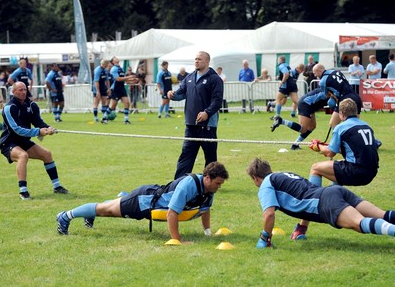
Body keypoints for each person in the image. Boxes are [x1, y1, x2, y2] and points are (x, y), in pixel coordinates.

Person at [56, 162, 229, 241]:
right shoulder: (189, 185)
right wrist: (177, 239)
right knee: (105, 209)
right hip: (144, 201)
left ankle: (93, 213)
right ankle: (65, 216)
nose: (219, 187)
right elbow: (172, 213)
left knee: (107, 208)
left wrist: (208, 232)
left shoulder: (208, 189)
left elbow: (205, 209)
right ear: (207, 177)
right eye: (217, 183)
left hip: (149, 198)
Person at [246, 157, 395, 249]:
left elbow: (269, 214)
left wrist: (265, 238)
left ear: (255, 177)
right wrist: (302, 228)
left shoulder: (266, 184)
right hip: (334, 191)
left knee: (359, 224)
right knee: (383, 215)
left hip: (325, 201)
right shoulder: (282, 175)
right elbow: (306, 196)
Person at [292, 98, 379, 239]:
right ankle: (336, 203)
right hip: (371, 172)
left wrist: (317, 146)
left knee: (315, 168)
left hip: (355, 171)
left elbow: (329, 153)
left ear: (341, 114)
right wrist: (328, 146)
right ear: (356, 112)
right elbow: (354, 149)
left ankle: (306, 219)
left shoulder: (341, 127)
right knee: (336, 165)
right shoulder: (366, 126)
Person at [0, 82, 68, 200]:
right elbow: (17, 130)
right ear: (13, 92)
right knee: (23, 156)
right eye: (20, 90)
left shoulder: (32, 105)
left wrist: (48, 128)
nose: (23, 92)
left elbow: (38, 122)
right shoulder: (9, 108)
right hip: (9, 142)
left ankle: (57, 187)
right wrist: (38, 132)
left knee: (47, 154)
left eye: (24, 89)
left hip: (24, 142)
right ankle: (23, 191)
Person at [168, 51, 223, 179]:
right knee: (186, 154)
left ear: (207, 62)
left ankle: (212, 182)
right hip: (191, 125)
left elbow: (217, 101)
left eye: (199, 59)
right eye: (195, 59)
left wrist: (207, 113)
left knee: (210, 156)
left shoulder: (214, 79)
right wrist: (172, 95)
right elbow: (181, 93)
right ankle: (179, 181)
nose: (196, 61)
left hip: (208, 125)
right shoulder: (190, 77)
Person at [101, 57, 137, 124]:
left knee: (127, 103)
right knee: (113, 106)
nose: (117, 58)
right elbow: (118, 79)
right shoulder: (114, 69)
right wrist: (129, 77)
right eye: (115, 58)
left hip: (122, 88)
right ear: (113, 61)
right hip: (116, 89)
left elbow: (123, 79)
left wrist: (132, 80)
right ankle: (104, 117)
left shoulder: (121, 68)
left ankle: (126, 120)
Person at [269, 56, 299, 126]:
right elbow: (291, 74)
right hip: (293, 85)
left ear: (280, 60)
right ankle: (307, 112)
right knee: (296, 101)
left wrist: (282, 81)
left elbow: (286, 74)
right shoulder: (288, 65)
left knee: (278, 99)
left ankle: (277, 116)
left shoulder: (281, 66)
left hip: (286, 86)